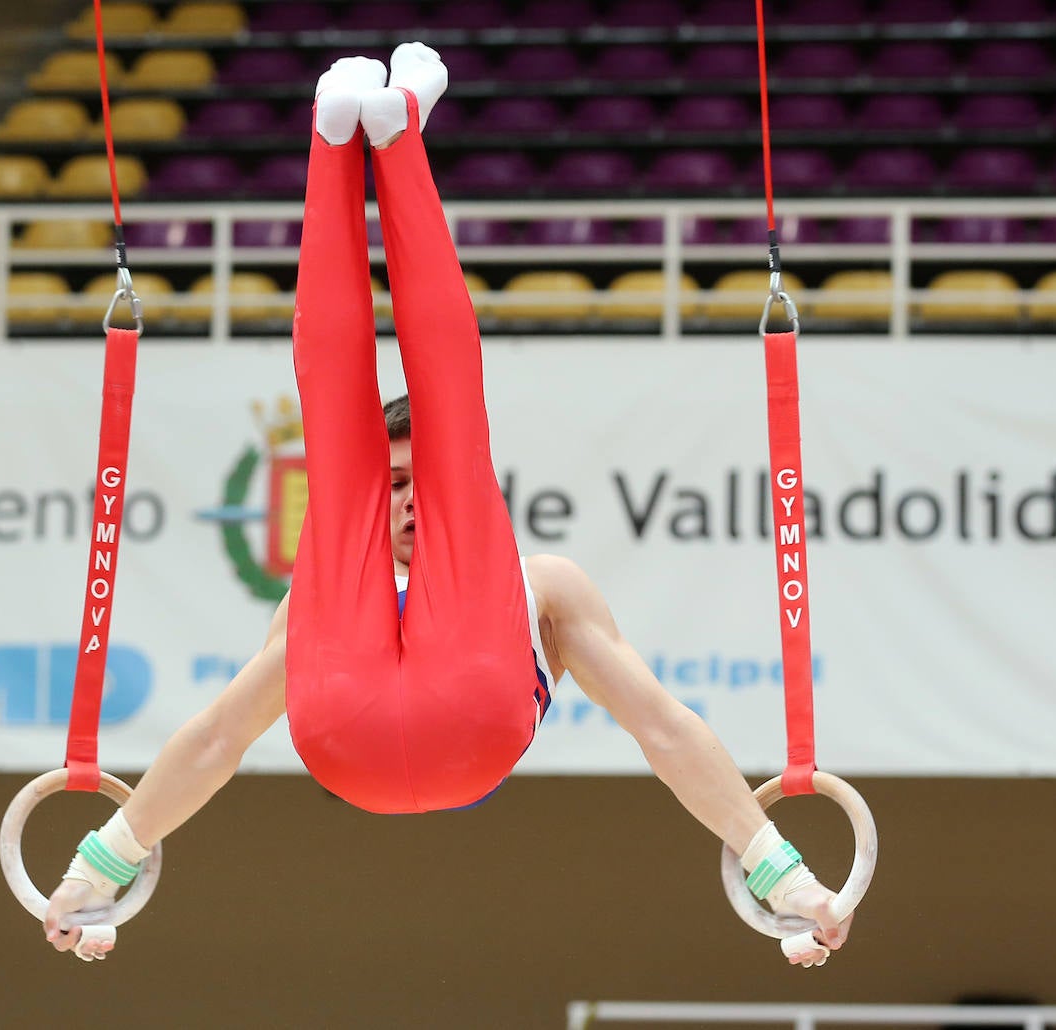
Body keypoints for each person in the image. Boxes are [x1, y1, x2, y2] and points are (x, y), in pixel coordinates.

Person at [44, 43, 854, 968]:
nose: (408, 500)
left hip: (448, 714)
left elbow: (661, 726)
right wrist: (95, 866)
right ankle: (370, 137)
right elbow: (219, 736)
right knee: (362, 436)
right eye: (396, 485)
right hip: (358, 728)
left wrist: (781, 871)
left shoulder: (543, 589)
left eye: (414, 481)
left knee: (447, 430)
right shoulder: (314, 606)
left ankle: (353, 138)